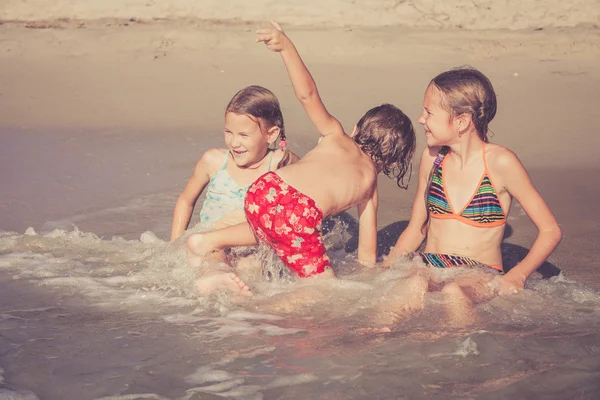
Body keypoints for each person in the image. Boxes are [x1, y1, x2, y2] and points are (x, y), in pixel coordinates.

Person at [186, 21, 416, 292]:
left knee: (270, 232)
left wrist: (286, 47)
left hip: (265, 188)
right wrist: (375, 281)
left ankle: (206, 243)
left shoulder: (334, 134)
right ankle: (261, 315)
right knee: (326, 292)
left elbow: (306, 95)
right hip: (298, 214)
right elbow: (366, 256)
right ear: (392, 162)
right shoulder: (369, 187)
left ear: (356, 129)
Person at [381, 66, 562, 326]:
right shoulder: (432, 158)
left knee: (454, 293)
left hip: (478, 274)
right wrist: (388, 267)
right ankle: (374, 342)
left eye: (429, 112)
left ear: (461, 121)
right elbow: (417, 228)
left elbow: (550, 230)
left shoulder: (501, 162)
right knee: (411, 283)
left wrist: (518, 275)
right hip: (428, 265)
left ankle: (460, 352)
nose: (421, 119)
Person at [171, 85, 299, 295]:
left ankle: (236, 299)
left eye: (243, 135)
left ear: (271, 134)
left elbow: (305, 197)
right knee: (214, 254)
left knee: (253, 267)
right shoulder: (213, 161)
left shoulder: (281, 163)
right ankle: (215, 276)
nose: (234, 142)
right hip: (212, 242)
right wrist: (174, 245)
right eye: (228, 132)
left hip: (253, 246)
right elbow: (186, 200)